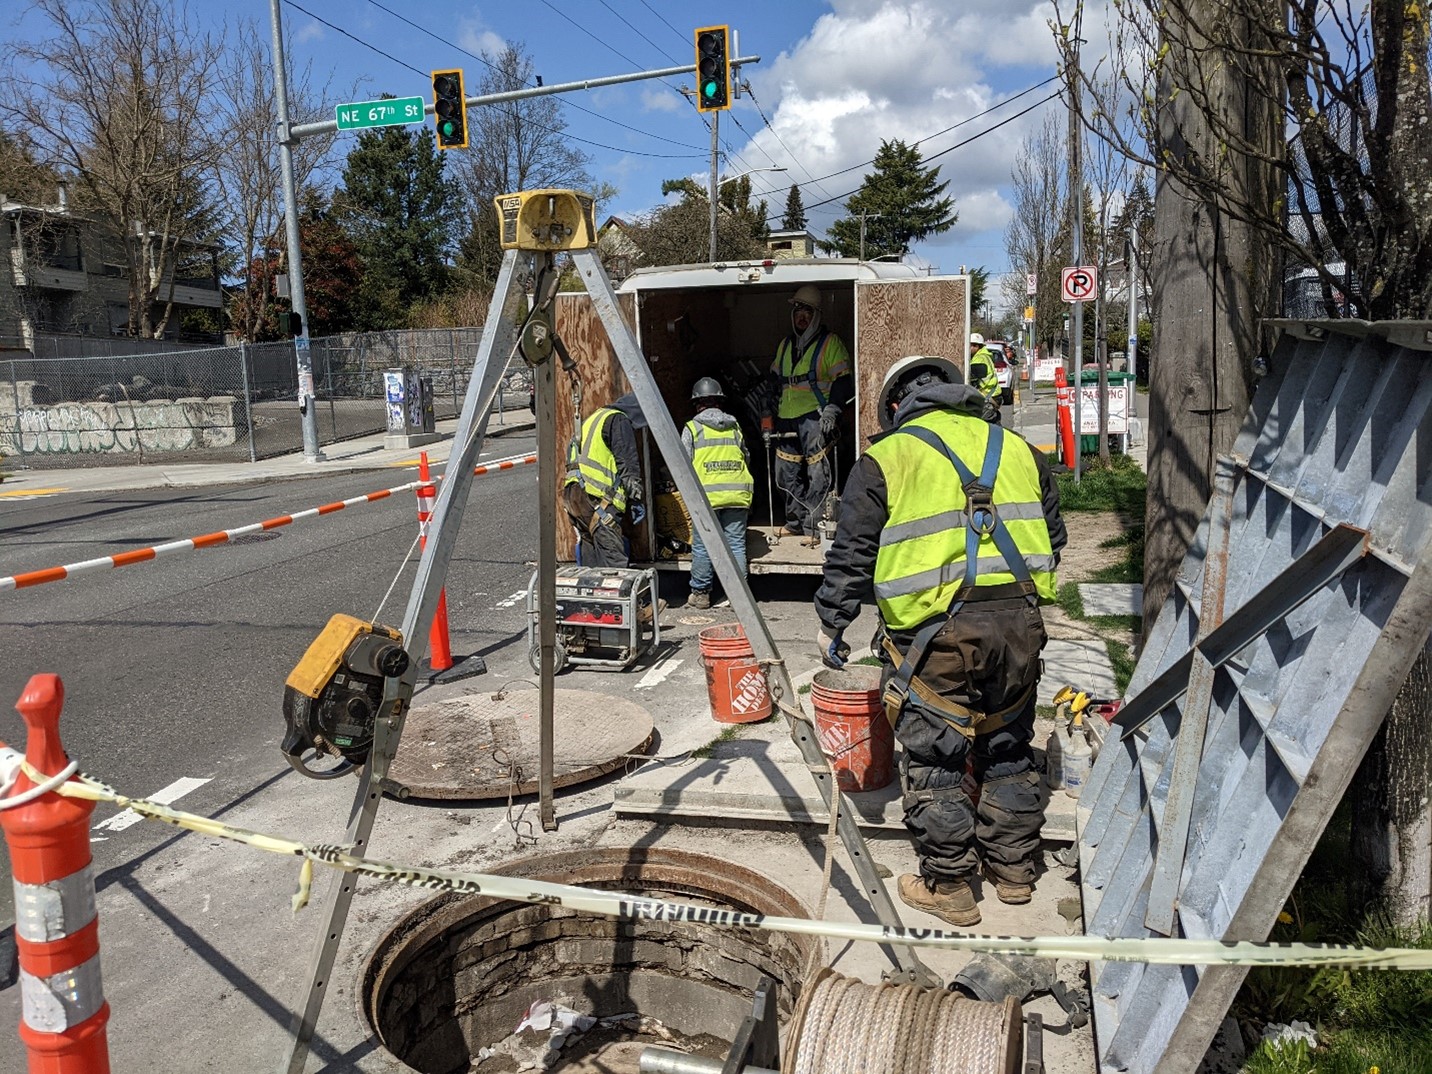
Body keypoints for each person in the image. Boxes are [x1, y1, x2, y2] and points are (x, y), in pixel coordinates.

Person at [813, 354, 1067, 927]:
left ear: (896, 405)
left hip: (935, 639)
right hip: (1018, 627)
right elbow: (1055, 537)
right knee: (1008, 749)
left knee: (936, 761)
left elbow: (851, 555)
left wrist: (833, 622)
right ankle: (1014, 873)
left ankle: (950, 886)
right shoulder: (1020, 451)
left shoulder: (887, 458)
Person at [764, 284, 853, 537]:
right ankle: (795, 522)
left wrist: (832, 410)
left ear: (816, 315)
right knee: (784, 475)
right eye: (797, 312)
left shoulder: (830, 343)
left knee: (818, 474)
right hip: (786, 417)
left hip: (816, 418)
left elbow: (843, 381)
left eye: (807, 312)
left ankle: (813, 526)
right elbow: (774, 379)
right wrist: (768, 405)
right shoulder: (785, 345)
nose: (801, 317)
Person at [681, 377, 753, 609]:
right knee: (736, 544)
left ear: (697, 404)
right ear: (720, 402)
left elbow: (683, 464)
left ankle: (701, 594)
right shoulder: (734, 427)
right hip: (737, 495)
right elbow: (746, 457)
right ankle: (739, 595)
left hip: (707, 498)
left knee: (704, 545)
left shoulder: (692, 428)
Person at [564, 392, 646, 568]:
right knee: (613, 566)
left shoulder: (595, 418)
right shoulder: (619, 420)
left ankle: (590, 586)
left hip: (576, 497)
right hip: (598, 499)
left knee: (591, 563)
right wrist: (635, 498)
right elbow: (627, 464)